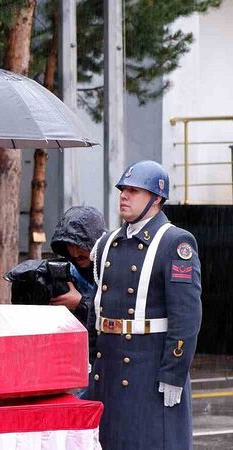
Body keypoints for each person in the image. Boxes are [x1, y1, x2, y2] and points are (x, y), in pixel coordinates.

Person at [87, 160, 201, 450]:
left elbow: (185, 317)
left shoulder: (175, 243)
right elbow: (96, 310)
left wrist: (174, 373)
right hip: (108, 369)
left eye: (134, 190)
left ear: (156, 199)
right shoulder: (106, 243)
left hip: (147, 373)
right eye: (122, 189)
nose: (124, 195)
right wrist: (90, 360)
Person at [50, 206, 106, 361]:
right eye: (69, 245)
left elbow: (118, 315)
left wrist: (80, 303)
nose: (75, 252)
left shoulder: (113, 267)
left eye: (80, 245)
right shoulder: (69, 271)